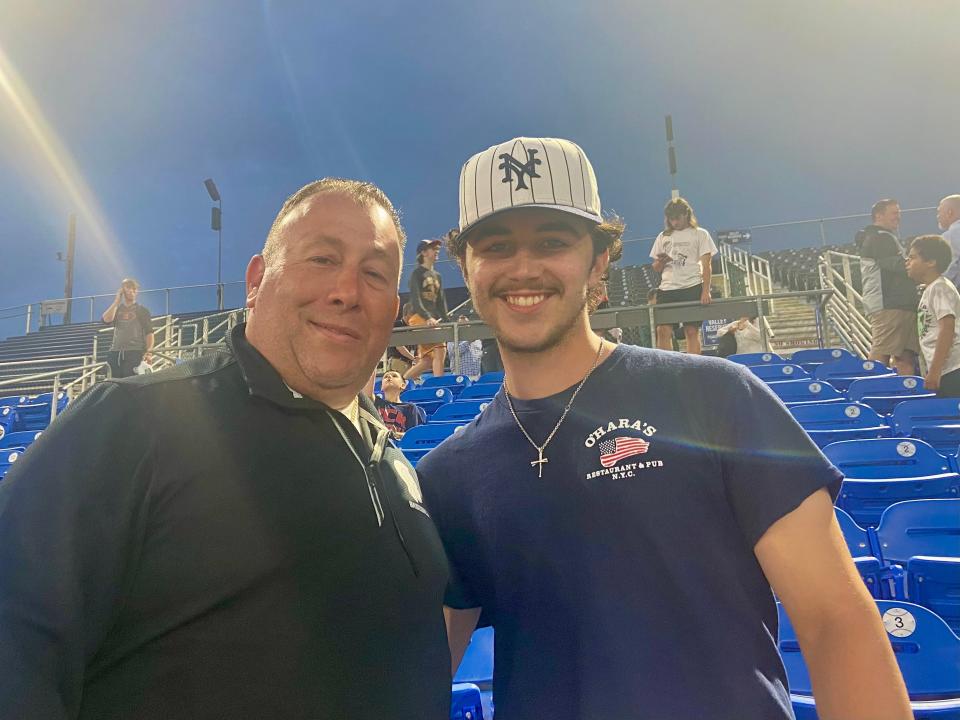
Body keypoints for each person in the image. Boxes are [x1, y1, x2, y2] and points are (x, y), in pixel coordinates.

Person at [417, 136, 912, 720]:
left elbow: (835, 621)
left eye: (552, 242)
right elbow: (422, 670)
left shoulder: (715, 396)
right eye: (496, 246)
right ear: (466, 267)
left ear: (599, 259)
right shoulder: (448, 473)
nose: (524, 268)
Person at [0, 179, 451, 720]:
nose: (347, 290)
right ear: (256, 281)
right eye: (322, 258)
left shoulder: (394, 464)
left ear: (394, 309)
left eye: (374, 273)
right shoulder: (133, 423)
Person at [856, 198, 919, 375]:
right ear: (879, 215)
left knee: (906, 356)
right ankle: (873, 390)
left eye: (899, 213)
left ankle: (908, 394)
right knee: (881, 354)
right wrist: (923, 264)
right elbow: (899, 266)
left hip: (901, 304)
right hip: (888, 304)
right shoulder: (880, 238)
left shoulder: (885, 237)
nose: (898, 217)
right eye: (894, 213)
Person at [650, 198, 717, 355]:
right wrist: (661, 260)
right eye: (671, 219)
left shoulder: (701, 234)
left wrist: (705, 291)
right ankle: (666, 368)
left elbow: (706, 265)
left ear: (686, 214)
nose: (674, 222)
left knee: (692, 331)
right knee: (662, 330)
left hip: (692, 287)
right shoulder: (663, 236)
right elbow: (656, 267)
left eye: (677, 218)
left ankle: (694, 370)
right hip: (667, 289)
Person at [906, 234, 960, 396]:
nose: (907, 262)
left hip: (953, 369)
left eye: (912, 257)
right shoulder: (930, 289)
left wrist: (935, 370)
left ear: (930, 262)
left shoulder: (940, 288)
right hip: (945, 369)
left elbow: (947, 328)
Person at [404, 238, 448, 381]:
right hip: (418, 317)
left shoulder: (438, 276)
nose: (436, 251)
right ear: (423, 252)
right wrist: (428, 317)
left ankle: (403, 381)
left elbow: (441, 302)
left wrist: (447, 321)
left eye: (437, 249)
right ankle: (439, 385)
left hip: (432, 320)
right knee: (440, 347)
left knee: (427, 361)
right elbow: (416, 299)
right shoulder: (417, 273)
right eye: (432, 249)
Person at [101, 278, 154, 378]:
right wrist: (116, 301)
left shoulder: (142, 310)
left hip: (134, 352)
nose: (131, 291)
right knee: (114, 384)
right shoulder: (117, 309)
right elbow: (106, 320)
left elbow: (149, 333)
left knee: (132, 384)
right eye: (128, 288)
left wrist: (149, 353)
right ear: (122, 290)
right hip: (115, 352)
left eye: (134, 289)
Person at [375, 369, 426, 437]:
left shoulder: (410, 407)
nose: (389, 376)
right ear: (381, 387)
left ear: (403, 385)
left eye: (394, 376)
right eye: (385, 376)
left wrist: (394, 435)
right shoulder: (376, 403)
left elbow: (414, 435)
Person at [938, 195, 960, 287]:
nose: (938, 216)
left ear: (949, 212)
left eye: (939, 211)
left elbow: (948, 270)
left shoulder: (949, 236)